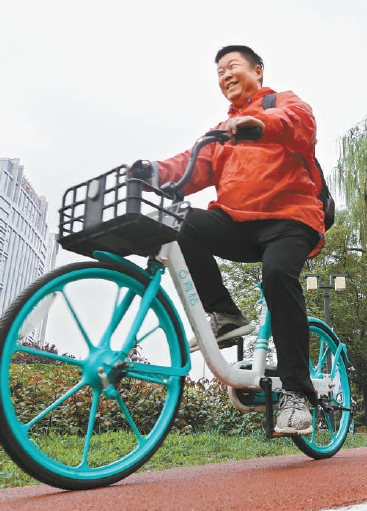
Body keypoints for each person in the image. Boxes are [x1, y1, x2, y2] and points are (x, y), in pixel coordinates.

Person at [128, 45, 326, 437]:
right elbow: (188, 164)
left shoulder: (281, 102)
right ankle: (225, 313)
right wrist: (151, 171)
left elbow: (297, 122)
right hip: (237, 223)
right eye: (219, 71)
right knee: (180, 222)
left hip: (290, 219)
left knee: (277, 275)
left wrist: (259, 123)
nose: (225, 75)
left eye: (232, 66)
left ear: (257, 69)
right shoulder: (222, 132)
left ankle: (297, 394)